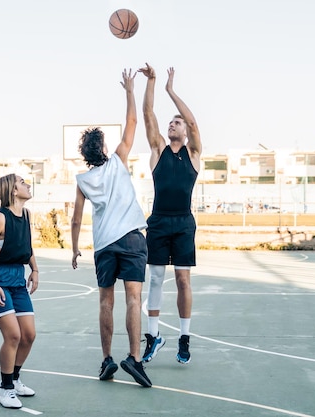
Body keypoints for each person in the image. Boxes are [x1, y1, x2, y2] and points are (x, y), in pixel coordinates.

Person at [71, 69, 151, 388]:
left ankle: (106, 360)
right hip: (131, 237)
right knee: (134, 299)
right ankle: (133, 358)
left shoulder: (82, 180)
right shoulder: (118, 161)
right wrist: (130, 90)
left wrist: (75, 247)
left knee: (106, 301)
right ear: (102, 147)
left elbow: (76, 218)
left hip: (104, 244)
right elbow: (132, 125)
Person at [138, 63, 202, 364]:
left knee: (183, 280)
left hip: (184, 223)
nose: (172, 124)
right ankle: (152, 337)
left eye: (177, 123)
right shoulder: (158, 151)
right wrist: (151, 82)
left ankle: (184, 338)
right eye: (171, 123)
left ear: (186, 132)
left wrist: (171, 91)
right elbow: (148, 114)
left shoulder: (193, 154)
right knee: (155, 278)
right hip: (160, 221)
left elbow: (192, 120)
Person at [0, 174, 39, 409]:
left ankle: (14, 379)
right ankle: (5, 390)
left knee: (29, 335)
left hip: (17, 280)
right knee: (13, 335)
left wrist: (35, 270)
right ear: (13, 191)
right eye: (23, 182)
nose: (27, 184)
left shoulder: (26, 215)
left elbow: (27, 245)